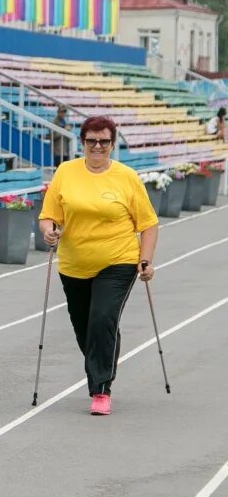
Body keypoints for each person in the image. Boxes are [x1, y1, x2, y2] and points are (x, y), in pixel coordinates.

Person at [38, 116, 158, 416]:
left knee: (102, 318)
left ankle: (101, 389)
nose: (97, 146)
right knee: (85, 328)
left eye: (104, 141)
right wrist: (49, 230)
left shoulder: (127, 177)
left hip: (118, 260)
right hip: (73, 263)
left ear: (112, 143)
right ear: (82, 143)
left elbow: (148, 224)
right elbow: (48, 215)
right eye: (91, 141)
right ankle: (106, 351)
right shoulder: (66, 172)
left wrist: (145, 260)